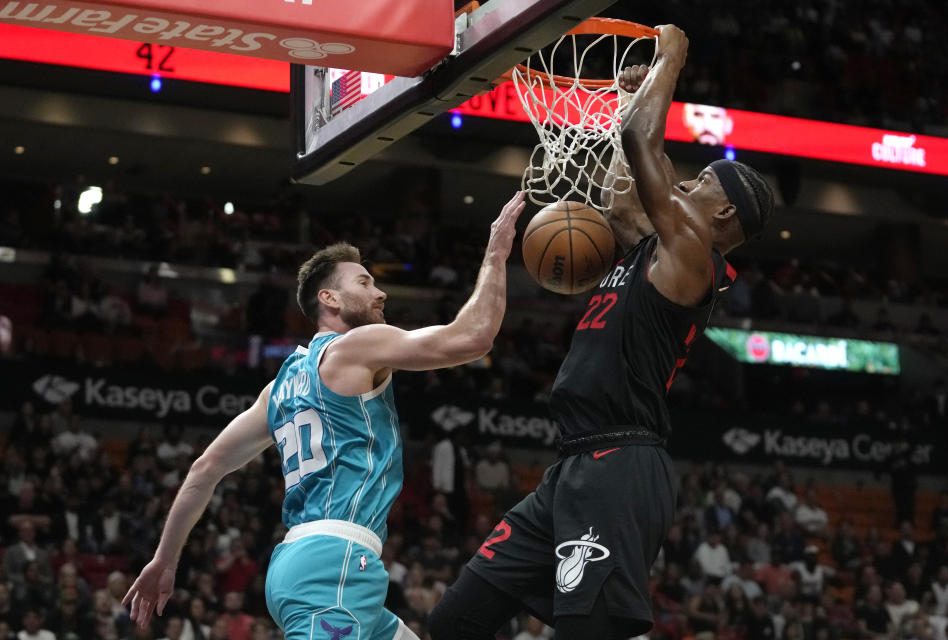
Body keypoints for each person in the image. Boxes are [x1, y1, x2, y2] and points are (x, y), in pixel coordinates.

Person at [430, 25, 774, 640]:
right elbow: (619, 200)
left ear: (722, 214)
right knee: (456, 620)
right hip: (574, 464)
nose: (685, 186)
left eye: (698, 186)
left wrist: (672, 59)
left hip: (622, 465)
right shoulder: (660, 247)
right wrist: (625, 100)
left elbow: (646, 145)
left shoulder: (695, 256)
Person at [120, 192, 527, 637]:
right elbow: (473, 338)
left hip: (310, 563)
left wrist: (165, 559)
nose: (381, 291)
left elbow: (205, 468)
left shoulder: (276, 390)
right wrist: (497, 253)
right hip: (333, 564)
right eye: (365, 282)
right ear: (329, 298)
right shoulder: (356, 346)